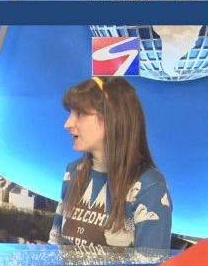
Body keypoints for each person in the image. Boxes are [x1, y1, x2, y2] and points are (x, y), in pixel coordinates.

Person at [48, 76, 172, 249]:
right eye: (71, 113)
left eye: (80, 113)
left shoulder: (149, 186)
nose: (67, 124)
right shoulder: (73, 171)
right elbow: (54, 246)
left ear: (111, 118)